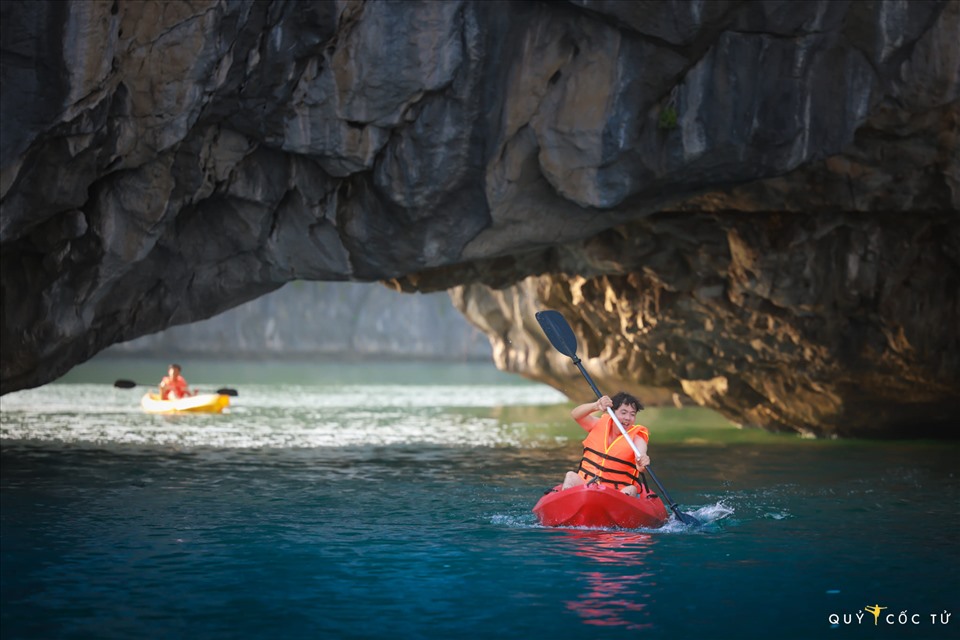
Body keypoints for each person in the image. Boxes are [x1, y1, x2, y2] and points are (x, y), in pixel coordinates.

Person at [561, 392, 651, 497]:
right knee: (571, 476)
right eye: (623, 412)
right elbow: (576, 415)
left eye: (632, 414)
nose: (628, 418)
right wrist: (595, 405)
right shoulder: (597, 424)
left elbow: (641, 461)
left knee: (631, 489)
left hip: (617, 491)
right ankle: (566, 505)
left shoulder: (637, 438)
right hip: (587, 484)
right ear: (612, 412)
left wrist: (642, 462)